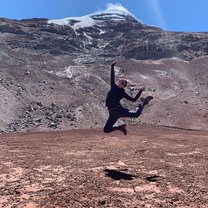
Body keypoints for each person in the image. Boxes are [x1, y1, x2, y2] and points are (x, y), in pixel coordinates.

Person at [103, 60, 153, 135]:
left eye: (123, 83)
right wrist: (112, 66)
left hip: (119, 110)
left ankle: (142, 103)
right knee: (106, 130)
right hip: (112, 113)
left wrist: (140, 91)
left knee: (136, 114)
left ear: (124, 86)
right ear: (119, 82)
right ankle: (120, 128)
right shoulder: (113, 86)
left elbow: (133, 100)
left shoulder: (122, 93)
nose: (121, 83)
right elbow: (112, 76)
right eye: (121, 82)